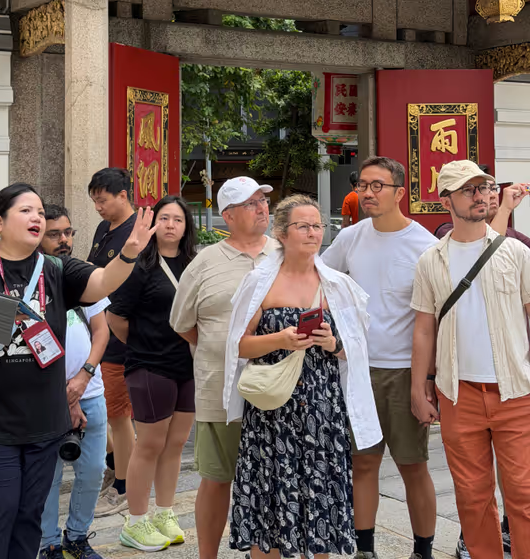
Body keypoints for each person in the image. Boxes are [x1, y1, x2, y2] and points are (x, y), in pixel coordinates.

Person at [0, 183, 158, 559]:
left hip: (44, 423)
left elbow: (102, 282)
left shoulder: (55, 268)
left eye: (39, 211)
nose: (36, 217)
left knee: (28, 518)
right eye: (26, 210)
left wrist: (129, 253)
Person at [224, 194, 381, 559]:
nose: (313, 233)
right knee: (269, 499)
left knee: (319, 498)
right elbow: (238, 346)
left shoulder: (337, 285)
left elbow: (356, 350)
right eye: (303, 226)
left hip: (322, 410)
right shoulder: (259, 283)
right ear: (281, 233)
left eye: (317, 226)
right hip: (272, 411)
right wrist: (280, 339)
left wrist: (332, 343)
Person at [411, 160, 530, 559]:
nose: (481, 196)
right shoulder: (431, 260)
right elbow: (424, 328)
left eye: (485, 187)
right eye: (469, 190)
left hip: (517, 392)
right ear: (446, 200)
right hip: (458, 394)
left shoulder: (514, 251)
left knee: (524, 496)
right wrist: (418, 389)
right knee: (472, 498)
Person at [322, 157, 437, 559]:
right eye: (362, 185)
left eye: (377, 186)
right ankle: (365, 549)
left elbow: (434, 320)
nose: (367, 193)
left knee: (412, 464)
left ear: (399, 193)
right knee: (363, 463)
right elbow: (319, 280)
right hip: (357, 370)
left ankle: (423, 550)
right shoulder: (350, 238)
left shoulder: (425, 246)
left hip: (404, 372)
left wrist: (427, 382)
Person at [170, 176, 277, 559]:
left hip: (279, 391)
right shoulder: (205, 262)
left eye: (264, 201)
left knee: (271, 480)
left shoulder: (284, 254)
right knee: (217, 479)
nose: (262, 208)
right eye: (251, 203)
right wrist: (221, 349)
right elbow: (182, 324)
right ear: (227, 216)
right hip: (220, 389)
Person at [107, 195, 197, 551]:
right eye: (165, 218)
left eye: (178, 219)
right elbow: (116, 317)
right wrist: (145, 343)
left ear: (187, 226)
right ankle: (136, 521)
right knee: (150, 444)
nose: (171, 225)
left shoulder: (194, 265)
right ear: (154, 224)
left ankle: (164, 513)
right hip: (149, 366)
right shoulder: (140, 266)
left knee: (176, 444)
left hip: (188, 365)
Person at [39, 204, 109, 559]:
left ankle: (77, 536)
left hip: (90, 391)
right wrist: (66, 395)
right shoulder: (31, 283)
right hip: (46, 398)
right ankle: (48, 542)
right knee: (47, 477)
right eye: (55, 234)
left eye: (68, 232)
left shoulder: (82, 275)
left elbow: (102, 331)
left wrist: (85, 375)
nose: (64, 240)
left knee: (93, 470)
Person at [87, 168, 137, 518]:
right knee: (104, 411)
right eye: (94, 201)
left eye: (102, 200)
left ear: (123, 195)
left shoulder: (136, 233)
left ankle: (125, 485)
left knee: (119, 414)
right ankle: (114, 465)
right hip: (97, 331)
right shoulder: (104, 229)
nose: (98, 208)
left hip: (119, 335)